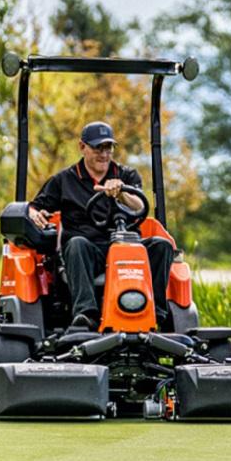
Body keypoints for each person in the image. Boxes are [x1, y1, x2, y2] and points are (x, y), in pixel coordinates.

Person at [28, 121, 175, 333]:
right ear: (82, 147)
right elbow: (34, 207)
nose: (104, 154)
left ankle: (157, 314)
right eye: (97, 148)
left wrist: (121, 192)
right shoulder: (64, 180)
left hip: (127, 247)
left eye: (108, 148)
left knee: (162, 245)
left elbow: (140, 205)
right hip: (89, 252)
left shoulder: (126, 176)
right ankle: (86, 314)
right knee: (77, 244)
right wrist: (34, 213)